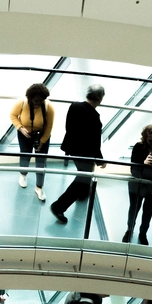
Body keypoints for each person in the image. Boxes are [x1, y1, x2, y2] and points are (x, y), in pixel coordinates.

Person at [50, 85, 106, 224]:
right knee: (83, 179)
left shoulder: (74, 106)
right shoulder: (94, 117)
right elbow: (95, 143)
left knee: (83, 175)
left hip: (72, 148)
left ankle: (82, 194)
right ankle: (58, 206)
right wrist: (100, 161)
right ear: (100, 98)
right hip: (85, 153)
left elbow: (68, 127)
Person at [9, 83, 54, 200]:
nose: (37, 104)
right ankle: (23, 174)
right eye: (35, 101)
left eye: (40, 101)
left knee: (41, 161)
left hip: (41, 134)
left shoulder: (49, 107)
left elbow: (49, 126)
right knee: (25, 154)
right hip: (25, 134)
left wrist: (43, 141)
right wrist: (20, 127)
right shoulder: (22, 103)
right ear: (29, 98)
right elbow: (13, 115)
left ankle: (39, 187)